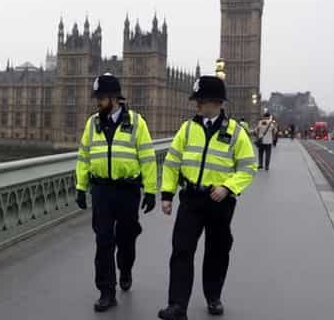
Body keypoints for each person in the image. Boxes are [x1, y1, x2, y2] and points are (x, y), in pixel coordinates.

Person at [157, 75, 257, 320]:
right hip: (191, 198)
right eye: (197, 101)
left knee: (217, 251)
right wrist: (167, 194)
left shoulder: (236, 132)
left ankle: (213, 296)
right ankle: (177, 306)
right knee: (181, 251)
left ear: (217, 102)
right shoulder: (187, 128)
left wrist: (228, 187)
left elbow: (248, 168)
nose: (197, 105)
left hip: (220, 201)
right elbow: (172, 162)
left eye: (201, 101)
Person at [75, 73, 158, 312]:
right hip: (101, 189)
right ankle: (106, 292)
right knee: (103, 241)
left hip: (127, 190)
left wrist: (150, 190)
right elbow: (84, 156)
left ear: (114, 98)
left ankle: (126, 268)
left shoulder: (137, 122)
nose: (97, 102)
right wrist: (81, 187)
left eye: (101, 98)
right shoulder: (93, 123)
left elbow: (147, 157)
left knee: (126, 238)